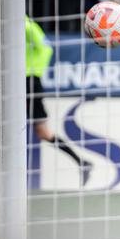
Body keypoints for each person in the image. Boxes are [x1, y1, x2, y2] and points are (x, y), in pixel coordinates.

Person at [26, 16, 92, 185]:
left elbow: (46, 48)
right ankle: (82, 162)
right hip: (17, 81)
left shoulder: (24, 23)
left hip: (28, 82)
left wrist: (33, 70)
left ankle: (82, 162)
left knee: (43, 132)